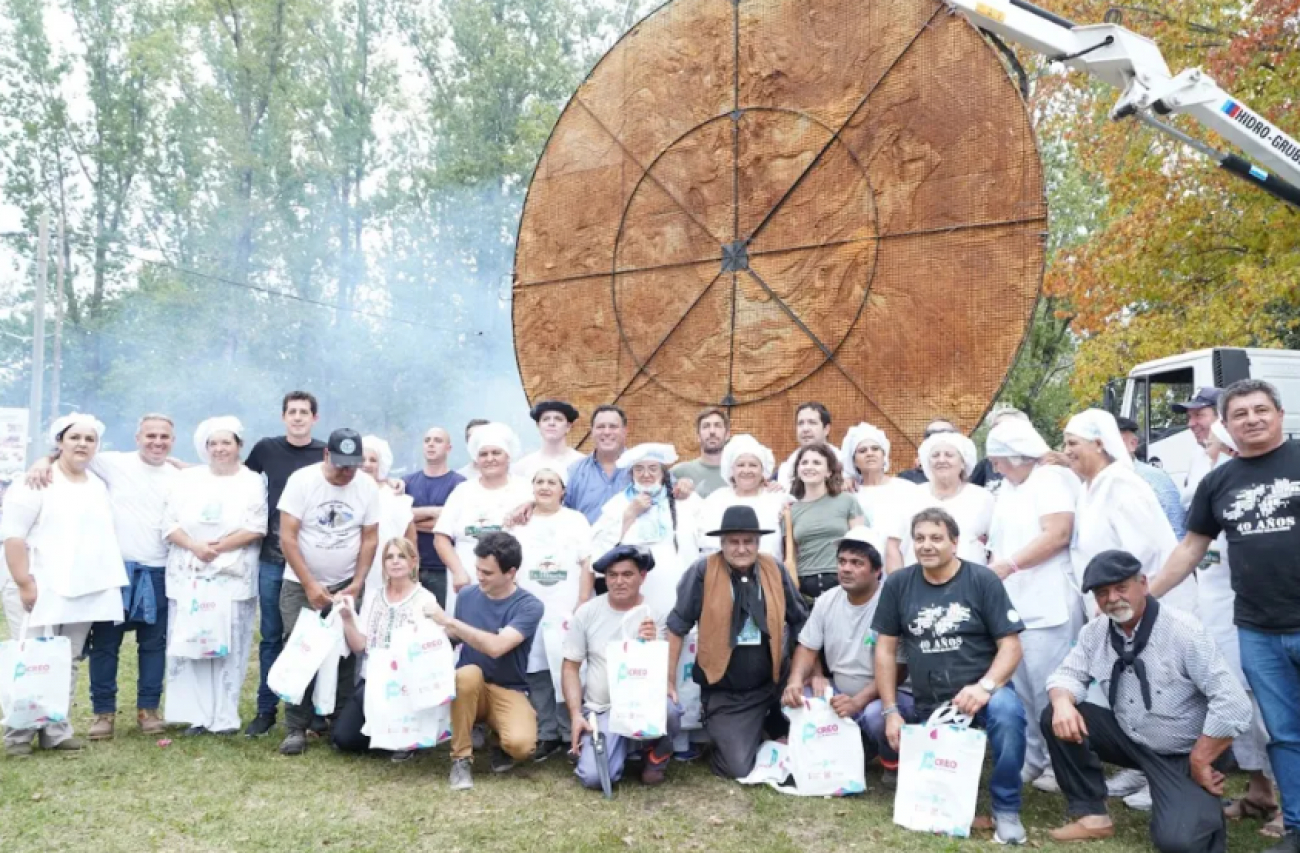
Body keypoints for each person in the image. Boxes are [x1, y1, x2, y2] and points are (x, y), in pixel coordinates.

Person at [1151, 379, 1300, 853]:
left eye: (1261, 410)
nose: (1252, 420)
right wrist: (1146, 597)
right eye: (1241, 414)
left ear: (1279, 414)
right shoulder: (1219, 481)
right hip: (1257, 629)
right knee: (1284, 733)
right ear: (1227, 423)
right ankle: (1297, 826)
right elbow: (1191, 548)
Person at [1042, 550, 1252, 851]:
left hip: (1184, 750)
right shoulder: (1095, 631)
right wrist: (1062, 702)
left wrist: (1201, 758)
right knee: (1055, 713)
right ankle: (1092, 816)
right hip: (1131, 737)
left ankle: (1196, 806)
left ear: (1143, 583)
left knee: (1178, 842)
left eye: (1121, 588)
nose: (1112, 598)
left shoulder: (1183, 630)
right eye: (1102, 593)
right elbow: (1065, 675)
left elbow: (1233, 703)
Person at [873, 507, 1028, 845]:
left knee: (1008, 713)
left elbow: (1012, 647)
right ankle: (907, 781)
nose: (927, 545)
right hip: (925, 698)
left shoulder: (981, 580)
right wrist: (890, 711)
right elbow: (885, 650)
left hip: (981, 692)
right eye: (920, 538)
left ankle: (1006, 807)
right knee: (875, 715)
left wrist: (985, 687)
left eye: (936, 538)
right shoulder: (899, 583)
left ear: (955, 543)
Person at [26, 412, 179, 741]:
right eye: (150, 435)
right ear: (137, 438)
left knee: (153, 645)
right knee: (105, 646)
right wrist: (42, 459)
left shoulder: (179, 475)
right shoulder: (112, 463)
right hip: (114, 570)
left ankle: (148, 709)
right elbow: (71, 449)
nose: (157, 442)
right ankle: (103, 713)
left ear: (173, 442)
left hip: (159, 570)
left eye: (164, 437)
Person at [1, 414, 127, 756]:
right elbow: (12, 536)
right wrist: (25, 583)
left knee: (66, 659)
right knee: (32, 658)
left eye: (89, 439)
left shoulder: (98, 484)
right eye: (75, 437)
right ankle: (18, 735)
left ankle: (56, 730)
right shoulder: (35, 480)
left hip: (82, 588)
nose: (82, 444)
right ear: (60, 442)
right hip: (37, 586)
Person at [667, 506, 807, 780]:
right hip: (728, 692)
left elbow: (801, 621)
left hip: (775, 683)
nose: (741, 549)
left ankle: (768, 726)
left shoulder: (774, 569)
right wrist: (668, 681)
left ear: (758, 543)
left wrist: (808, 675)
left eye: (748, 542)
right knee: (737, 768)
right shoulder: (702, 571)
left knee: (810, 748)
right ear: (722, 544)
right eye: (734, 542)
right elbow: (676, 627)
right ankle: (747, 732)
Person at [985, 418, 1081, 792]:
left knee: (1050, 687)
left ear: (1019, 456)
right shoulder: (1010, 486)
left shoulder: (1051, 480)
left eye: (999, 459)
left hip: (1049, 598)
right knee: (1021, 686)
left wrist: (1008, 566)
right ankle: (1033, 758)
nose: (994, 467)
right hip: (1016, 600)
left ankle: (1063, 765)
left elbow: (1057, 533)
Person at [275, 427, 380, 756]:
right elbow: (288, 537)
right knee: (299, 647)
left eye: (352, 465)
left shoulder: (366, 487)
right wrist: (309, 583)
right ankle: (296, 726)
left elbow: (370, 537)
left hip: (346, 581)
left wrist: (359, 580)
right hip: (300, 581)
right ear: (325, 456)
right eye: (340, 465)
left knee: (349, 648)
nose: (347, 472)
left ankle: (339, 719)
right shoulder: (302, 481)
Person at [161, 417, 267, 736]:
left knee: (230, 645)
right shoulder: (188, 479)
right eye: (213, 444)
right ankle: (197, 716)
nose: (220, 449)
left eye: (226, 443)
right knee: (192, 643)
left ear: (239, 446)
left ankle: (224, 716)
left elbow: (256, 526)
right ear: (205, 448)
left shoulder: (252, 481)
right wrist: (195, 546)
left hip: (232, 575)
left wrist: (217, 548)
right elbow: (168, 523)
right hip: (189, 572)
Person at [781, 528, 905, 780]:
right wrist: (795, 681)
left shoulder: (892, 603)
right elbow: (806, 647)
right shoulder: (827, 600)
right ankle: (835, 754)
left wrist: (859, 701)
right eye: (842, 562)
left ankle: (892, 763)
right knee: (796, 699)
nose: (846, 569)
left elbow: (901, 669)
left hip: (885, 695)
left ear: (877, 570)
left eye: (857, 563)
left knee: (875, 716)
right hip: (840, 693)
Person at [425, 531, 544, 791]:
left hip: (508, 688)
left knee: (522, 746)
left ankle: (500, 742)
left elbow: (497, 647)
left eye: (487, 573)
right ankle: (460, 759)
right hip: (470, 685)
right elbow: (455, 637)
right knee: (466, 674)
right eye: (478, 569)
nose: (479, 576)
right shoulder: (467, 596)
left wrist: (450, 621)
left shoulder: (529, 606)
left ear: (511, 572)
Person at [243, 390, 326, 738]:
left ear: (314, 418)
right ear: (283, 417)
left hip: (311, 562)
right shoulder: (266, 449)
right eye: (291, 411)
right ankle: (266, 710)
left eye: (303, 412)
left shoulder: (323, 454)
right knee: (272, 636)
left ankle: (316, 713)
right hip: (272, 559)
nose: (297, 417)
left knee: (312, 638)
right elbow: (238, 479)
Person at [564, 544, 681, 789]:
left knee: (670, 709)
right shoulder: (587, 613)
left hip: (641, 704)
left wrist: (649, 645)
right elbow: (570, 667)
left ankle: (656, 756)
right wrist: (575, 714)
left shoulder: (654, 616)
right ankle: (619, 746)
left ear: (642, 577)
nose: (619, 581)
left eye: (627, 574)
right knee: (594, 778)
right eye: (612, 575)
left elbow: (660, 671)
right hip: (603, 709)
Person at [1065, 410, 1199, 617]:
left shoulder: (1121, 484)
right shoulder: (1087, 489)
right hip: (1113, 609)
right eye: (1065, 444)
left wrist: (1115, 598)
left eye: (1073, 443)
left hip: (1144, 609)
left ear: (1099, 444)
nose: (1066, 451)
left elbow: (1144, 553)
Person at [330, 537, 440, 761]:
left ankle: (405, 736)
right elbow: (360, 645)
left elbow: (429, 651)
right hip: (373, 680)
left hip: (406, 684)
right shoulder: (373, 597)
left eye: (401, 556)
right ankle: (389, 736)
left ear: (413, 562)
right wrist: (347, 619)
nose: (395, 562)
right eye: (389, 557)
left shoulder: (425, 599)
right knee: (343, 739)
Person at [513, 462, 594, 762]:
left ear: (563, 490)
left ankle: (569, 731)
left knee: (568, 669)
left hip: (566, 606)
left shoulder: (576, 520)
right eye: (539, 481)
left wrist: (583, 601)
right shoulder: (520, 522)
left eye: (552, 482)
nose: (545, 487)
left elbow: (587, 562)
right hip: (531, 607)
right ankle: (547, 733)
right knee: (537, 672)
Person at [591, 443, 702, 615]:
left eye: (652, 468)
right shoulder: (618, 504)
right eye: (639, 469)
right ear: (631, 473)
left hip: (679, 591)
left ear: (663, 473)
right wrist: (630, 514)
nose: (646, 474)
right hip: (632, 597)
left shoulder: (685, 500)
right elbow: (598, 552)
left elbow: (707, 544)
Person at [434, 422, 533, 605]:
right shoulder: (462, 491)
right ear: (476, 459)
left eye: (496, 453)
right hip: (467, 582)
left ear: (508, 457)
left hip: (512, 582)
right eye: (483, 454)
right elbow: (441, 537)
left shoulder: (525, 489)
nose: (490, 459)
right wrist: (458, 572)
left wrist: (532, 502)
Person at [884, 431, 994, 573]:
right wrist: (900, 588)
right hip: (917, 586)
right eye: (935, 455)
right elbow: (892, 546)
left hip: (970, 586)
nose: (941, 460)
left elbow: (996, 546)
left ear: (963, 463)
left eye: (949, 455)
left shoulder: (982, 498)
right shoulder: (909, 496)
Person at [785, 443, 864, 599]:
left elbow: (860, 545)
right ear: (798, 470)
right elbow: (790, 554)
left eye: (817, 462)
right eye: (804, 462)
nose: (809, 467)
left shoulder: (847, 501)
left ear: (828, 471)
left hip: (842, 580)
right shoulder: (790, 511)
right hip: (805, 585)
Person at [402, 427, 466, 608]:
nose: (431, 444)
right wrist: (435, 512)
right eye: (427, 440)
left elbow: (455, 525)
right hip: (412, 568)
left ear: (449, 448)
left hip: (444, 569)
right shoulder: (406, 482)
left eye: (437, 440)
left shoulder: (460, 484)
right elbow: (397, 519)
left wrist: (412, 519)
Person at [698, 435, 787, 557]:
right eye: (740, 465)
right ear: (731, 470)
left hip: (769, 571)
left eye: (753, 465)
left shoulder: (776, 498)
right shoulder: (716, 500)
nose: (746, 470)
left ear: (763, 470)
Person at [359, 435, 417, 600]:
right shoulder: (346, 494)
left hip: (386, 575)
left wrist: (411, 576)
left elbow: (410, 541)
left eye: (373, 460)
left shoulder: (396, 498)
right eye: (362, 459)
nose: (367, 464)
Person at [839, 421, 917, 534]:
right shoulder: (851, 494)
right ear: (854, 461)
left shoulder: (906, 489)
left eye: (875, 449)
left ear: (883, 455)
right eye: (862, 451)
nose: (870, 453)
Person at [1117, 416, 1187, 539]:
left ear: (1133, 444)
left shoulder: (1153, 478)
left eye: (1116, 441)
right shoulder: (1098, 481)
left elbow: (1176, 526)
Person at [563, 405, 632, 523]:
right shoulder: (574, 472)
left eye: (613, 426)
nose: (606, 432)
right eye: (600, 427)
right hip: (587, 540)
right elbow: (556, 511)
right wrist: (533, 505)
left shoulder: (643, 467)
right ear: (592, 431)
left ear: (625, 431)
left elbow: (670, 496)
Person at [1172, 387, 1224, 508]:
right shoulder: (1198, 453)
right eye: (1189, 417)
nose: (1190, 424)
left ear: (1222, 417)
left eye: (1199, 415)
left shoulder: (1240, 455)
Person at [512, 400, 585, 478]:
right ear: (538, 426)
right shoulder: (522, 467)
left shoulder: (582, 464)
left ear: (568, 426)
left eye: (558, 419)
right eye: (546, 419)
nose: (551, 423)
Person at [671, 407, 730, 499]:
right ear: (698, 436)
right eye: (706, 426)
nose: (712, 431)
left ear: (727, 435)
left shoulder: (738, 473)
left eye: (717, 425)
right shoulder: (679, 472)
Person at [776, 402, 832, 490]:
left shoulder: (845, 466)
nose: (805, 429)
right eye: (800, 423)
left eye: (812, 423)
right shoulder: (786, 468)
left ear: (826, 429)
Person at [895, 418, 956, 484]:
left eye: (946, 434)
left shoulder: (967, 482)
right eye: (931, 434)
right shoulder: (907, 480)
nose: (938, 438)